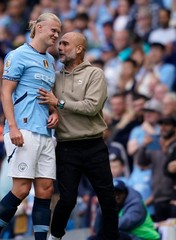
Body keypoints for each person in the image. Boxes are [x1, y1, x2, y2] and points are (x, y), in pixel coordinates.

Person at [0, 12, 61, 240]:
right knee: (21, 189)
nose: (57, 35)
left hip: (46, 132)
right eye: (53, 30)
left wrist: (55, 111)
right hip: (23, 130)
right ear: (38, 28)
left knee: (46, 188)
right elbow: (6, 92)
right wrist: (13, 127)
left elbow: (48, 95)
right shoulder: (18, 55)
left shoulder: (50, 61)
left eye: (59, 31)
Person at [38, 31, 119, 240]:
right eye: (60, 44)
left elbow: (91, 107)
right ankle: (54, 237)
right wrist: (54, 111)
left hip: (94, 145)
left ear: (80, 48)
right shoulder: (55, 77)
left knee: (108, 199)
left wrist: (59, 103)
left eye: (65, 44)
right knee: (66, 200)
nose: (60, 48)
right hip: (66, 146)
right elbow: (48, 104)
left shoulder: (95, 74)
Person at [88, 180, 160, 240]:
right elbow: (97, 229)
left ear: (125, 193)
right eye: (113, 193)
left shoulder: (136, 205)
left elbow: (121, 224)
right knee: (93, 239)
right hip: (130, 236)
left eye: (119, 193)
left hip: (145, 238)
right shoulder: (114, 205)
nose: (116, 196)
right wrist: (102, 208)